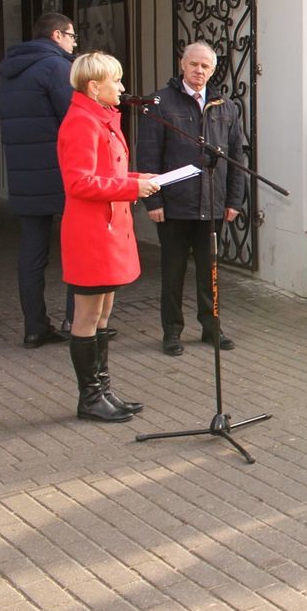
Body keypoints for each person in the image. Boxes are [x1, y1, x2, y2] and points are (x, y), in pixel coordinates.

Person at [58, 52, 160, 422]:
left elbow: (108, 172)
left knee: (104, 312)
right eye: (115, 81)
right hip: (90, 231)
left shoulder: (102, 118)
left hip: (110, 226)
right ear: (93, 86)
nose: (121, 87)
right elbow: (79, 181)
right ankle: (90, 398)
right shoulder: (81, 122)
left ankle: (103, 390)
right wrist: (134, 188)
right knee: (87, 313)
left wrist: (137, 180)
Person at [138, 42, 246, 356]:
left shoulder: (224, 105)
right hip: (174, 205)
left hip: (213, 203)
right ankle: (171, 332)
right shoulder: (160, 102)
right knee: (172, 272)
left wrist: (234, 201)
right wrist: (153, 201)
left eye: (206, 67)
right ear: (182, 65)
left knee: (209, 271)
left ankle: (211, 327)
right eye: (194, 65)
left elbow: (237, 157)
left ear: (213, 71)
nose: (199, 71)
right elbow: (148, 154)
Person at [0, 12, 77, 348]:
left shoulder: (8, 71)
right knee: (77, 249)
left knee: (32, 252)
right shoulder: (56, 67)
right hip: (61, 172)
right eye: (72, 36)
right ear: (57, 35)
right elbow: (74, 119)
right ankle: (77, 322)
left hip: (23, 174)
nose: (74, 43)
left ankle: (34, 327)